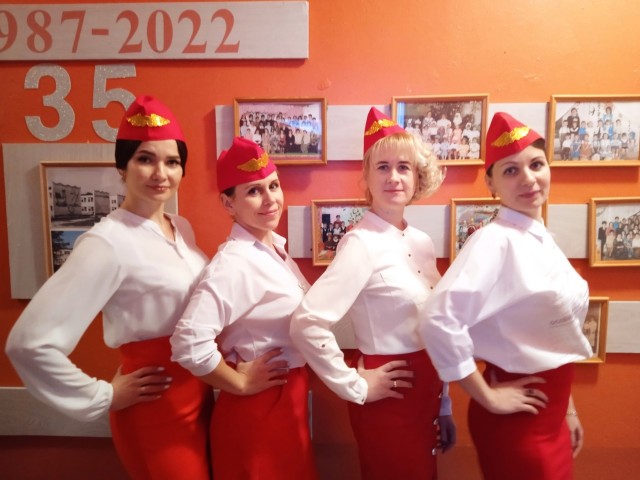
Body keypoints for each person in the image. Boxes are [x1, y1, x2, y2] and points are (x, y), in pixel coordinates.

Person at [5, 95, 213, 479]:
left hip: (200, 396)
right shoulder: (107, 242)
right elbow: (27, 343)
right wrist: (104, 395)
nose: (160, 173)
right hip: (156, 406)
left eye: (172, 162)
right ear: (122, 166)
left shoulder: (180, 228)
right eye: (145, 159)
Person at [420, 112, 593, 480]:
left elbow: (550, 337)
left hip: (548, 411)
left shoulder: (538, 236)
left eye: (536, 164)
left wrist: (567, 409)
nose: (528, 178)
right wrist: (486, 396)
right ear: (491, 183)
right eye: (511, 170)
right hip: (518, 422)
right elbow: (437, 319)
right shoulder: (494, 241)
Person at [290, 107, 455, 480]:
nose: (393, 177)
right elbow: (307, 323)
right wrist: (355, 385)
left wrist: (444, 404)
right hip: (389, 396)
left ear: (416, 176)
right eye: (382, 167)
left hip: (426, 394)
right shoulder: (360, 243)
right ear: (366, 176)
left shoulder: (421, 241)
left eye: (403, 167)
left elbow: (436, 325)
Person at [171, 137, 317, 480]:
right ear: (228, 203)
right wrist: (237, 383)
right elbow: (188, 343)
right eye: (254, 191)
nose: (270, 199)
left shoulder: (273, 249)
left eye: (274, 186)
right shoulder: (233, 263)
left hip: (287, 401)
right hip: (258, 409)